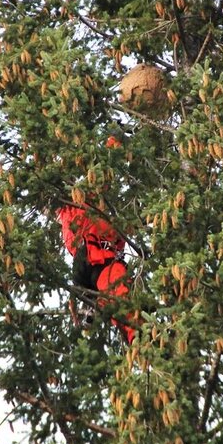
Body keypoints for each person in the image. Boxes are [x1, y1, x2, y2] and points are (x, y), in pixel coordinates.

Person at [57, 142, 137, 343]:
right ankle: (135, 335)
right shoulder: (80, 207)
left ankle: (90, 309)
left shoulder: (78, 215)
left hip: (91, 265)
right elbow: (99, 176)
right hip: (97, 260)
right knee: (119, 294)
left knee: (114, 297)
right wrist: (114, 141)